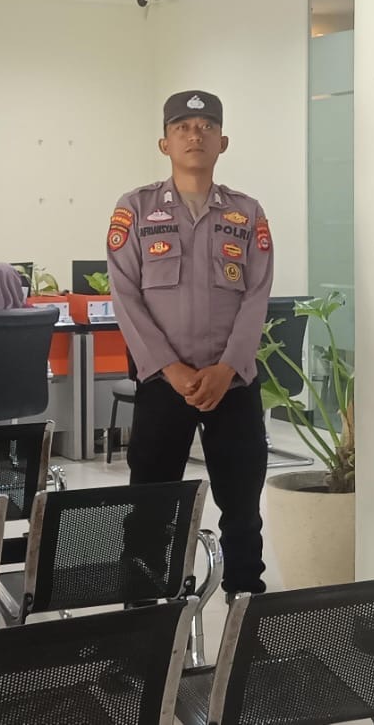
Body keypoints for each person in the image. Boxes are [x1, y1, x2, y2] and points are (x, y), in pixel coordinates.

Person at [108, 90, 273, 597]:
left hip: (233, 386)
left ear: (223, 142)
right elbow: (126, 296)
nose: (194, 135)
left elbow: (257, 294)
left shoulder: (246, 213)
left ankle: (245, 612)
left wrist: (228, 367)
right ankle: (145, 616)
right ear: (164, 143)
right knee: (151, 510)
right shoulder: (135, 209)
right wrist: (169, 368)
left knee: (243, 513)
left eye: (206, 127)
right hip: (164, 386)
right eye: (182, 127)